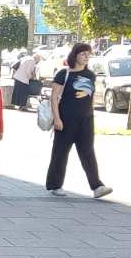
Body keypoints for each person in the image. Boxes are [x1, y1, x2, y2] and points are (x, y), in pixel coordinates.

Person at [46, 41, 112, 199]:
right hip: (66, 119)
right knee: (60, 153)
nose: (86, 57)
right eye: (83, 54)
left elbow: (91, 97)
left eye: (88, 54)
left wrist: (92, 113)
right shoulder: (64, 74)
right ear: (75, 55)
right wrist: (57, 118)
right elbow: (54, 97)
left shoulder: (90, 75)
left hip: (86, 120)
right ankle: (55, 184)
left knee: (88, 152)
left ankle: (97, 186)